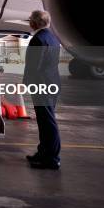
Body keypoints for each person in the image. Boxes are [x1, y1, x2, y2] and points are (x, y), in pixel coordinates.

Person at [24, 10, 61, 170]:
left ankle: (52, 158)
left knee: (47, 121)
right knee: (44, 120)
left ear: (35, 22)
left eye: (30, 20)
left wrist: (27, 82)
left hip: (42, 85)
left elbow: (34, 66)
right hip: (52, 83)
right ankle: (43, 152)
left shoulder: (38, 39)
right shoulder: (52, 38)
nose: (29, 22)